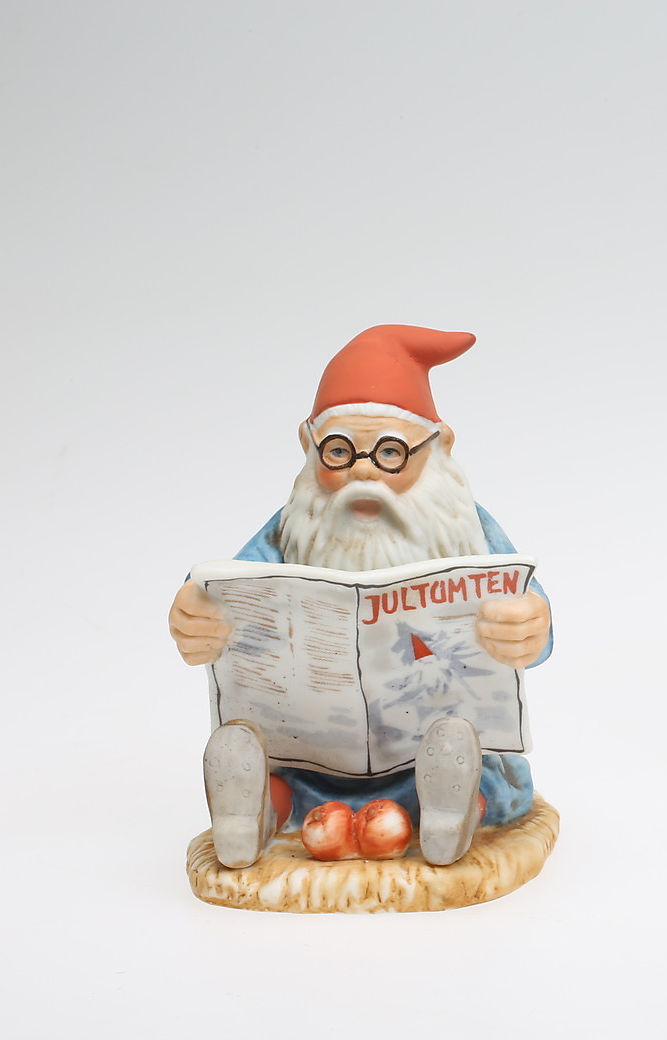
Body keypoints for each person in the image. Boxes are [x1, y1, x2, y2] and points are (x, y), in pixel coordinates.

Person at [168, 324, 552, 868]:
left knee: (464, 756)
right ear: (308, 446)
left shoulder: (466, 528)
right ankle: (257, 810)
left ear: (440, 446)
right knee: (282, 768)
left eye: (391, 451)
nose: (363, 470)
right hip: (312, 751)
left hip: (433, 741)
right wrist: (197, 615)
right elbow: (226, 592)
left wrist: (529, 625)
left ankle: (453, 808)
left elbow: (531, 615)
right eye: (339, 452)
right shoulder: (292, 529)